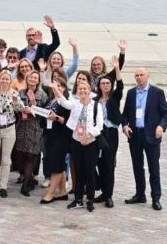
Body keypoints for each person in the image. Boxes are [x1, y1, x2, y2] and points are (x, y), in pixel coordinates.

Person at [122, 67, 167, 211]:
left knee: (153, 168)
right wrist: (125, 126)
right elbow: (124, 114)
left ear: (148, 76)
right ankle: (140, 194)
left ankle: (156, 198)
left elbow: (166, 114)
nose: (139, 77)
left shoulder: (157, 93)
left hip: (152, 136)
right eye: (136, 75)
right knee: (137, 166)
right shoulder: (131, 93)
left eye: (141, 75)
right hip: (135, 135)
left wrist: (161, 126)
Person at [51, 78, 103, 211]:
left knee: (90, 171)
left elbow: (100, 126)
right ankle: (78, 199)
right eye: (80, 89)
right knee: (78, 171)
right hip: (76, 141)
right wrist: (55, 88)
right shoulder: (74, 103)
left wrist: (89, 135)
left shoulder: (96, 105)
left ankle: (90, 199)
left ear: (89, 90)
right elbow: (63, 101)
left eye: (85, 88)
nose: (82, 91)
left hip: (90, 142)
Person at [40, 67, 72, 204]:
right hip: (50, 135)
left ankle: (50, 193)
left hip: (61, 136)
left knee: (57, 165)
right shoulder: (50, 100)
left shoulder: (66, 102)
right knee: (56, 163)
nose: (56, 88)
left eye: (59, 86)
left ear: (64, 88)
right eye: (54, 86)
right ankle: (63, 191)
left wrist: (57, 117)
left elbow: (68, 121)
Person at [94, 62, 123, 208]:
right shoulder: (95, 101)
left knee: (109, 164)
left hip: (111, 133)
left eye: (107, 83)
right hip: (98, 133)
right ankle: (103, 191)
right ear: (99, 86)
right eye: (102, 83)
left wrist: (117, 68)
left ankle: (109, 195)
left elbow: (120, 85)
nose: (105, 85)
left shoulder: (114, 98)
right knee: (100, 163)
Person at [14, 70, 47, 196]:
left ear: (38, 80)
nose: (33, 80)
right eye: (31, 78)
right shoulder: (20, 93)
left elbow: (44, 114)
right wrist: (20, 108)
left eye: (35, 78)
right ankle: (30, 179)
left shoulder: (42, 94)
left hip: (35, 128)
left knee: (31, 156)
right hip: (22, 127)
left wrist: (33, 104)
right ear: (27, 79)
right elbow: (15, 109)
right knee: (21, 155)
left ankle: (25, 185)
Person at [0, 69, 23, 198]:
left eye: (7, 79)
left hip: (9, 128)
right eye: (2, 78)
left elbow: (20, 109)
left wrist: (16, 101)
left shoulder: (14, 93)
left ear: (10, 80)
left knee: (6, 159)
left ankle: (3, 186)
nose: (4, 81)